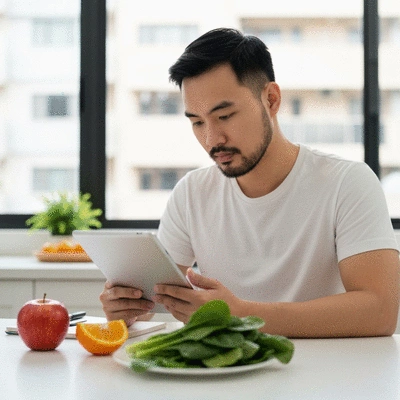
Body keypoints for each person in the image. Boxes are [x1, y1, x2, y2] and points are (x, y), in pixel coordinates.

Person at [100, 28, 400, 337]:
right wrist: (128, 310)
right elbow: (155, 300)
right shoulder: (191, 193)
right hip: (228, 376)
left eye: (225, 116)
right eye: (197, 122)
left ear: (271, 99)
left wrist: (242, 314)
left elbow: (380, 311)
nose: (212, 139)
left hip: (326, 377)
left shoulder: (347, 183)